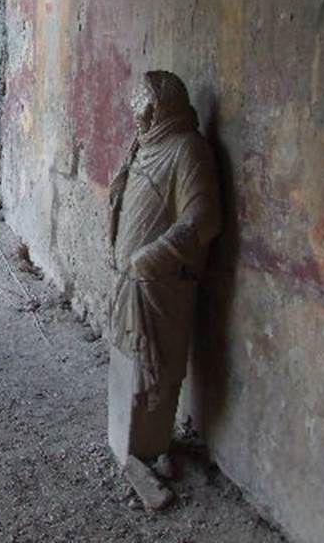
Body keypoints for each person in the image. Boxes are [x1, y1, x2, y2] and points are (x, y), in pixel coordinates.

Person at [107, 71, 221, 470]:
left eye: (145, 113)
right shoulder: (144, 145)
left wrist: (152, 256)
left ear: (161, 110)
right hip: (131, 280)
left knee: (156, 373)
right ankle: (129, 444)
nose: (138, 121)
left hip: (159, 283)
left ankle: (149, 447)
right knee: (130, 366)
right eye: (137, 113)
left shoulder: (188, 150)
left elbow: (203, 219)